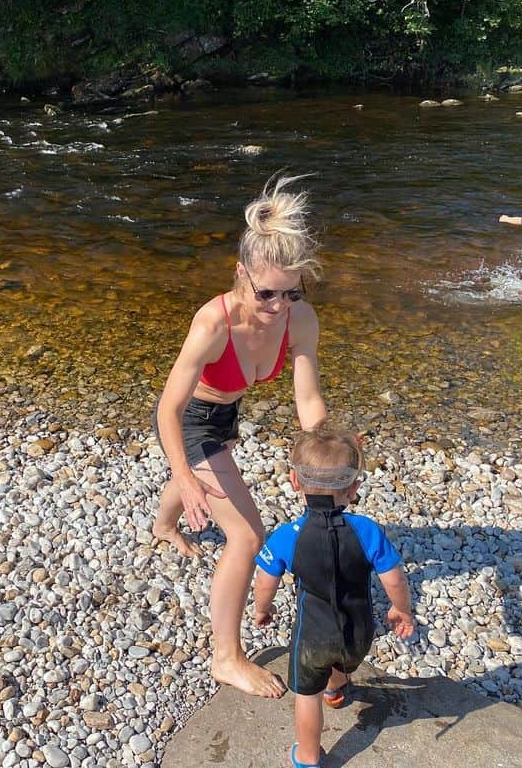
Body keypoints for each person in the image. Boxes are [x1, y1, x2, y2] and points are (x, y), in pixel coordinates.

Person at [151, 174, 327, 699]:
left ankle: (163, 527)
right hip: (191, 421)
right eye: (266, 292)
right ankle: (225, 658)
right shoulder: (213, 324)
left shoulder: (300, 319)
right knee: (247, 537)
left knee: (210, 482)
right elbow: (169, 407)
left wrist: (321, 457)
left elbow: (307, 400)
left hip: (225, 418)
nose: (277, 305)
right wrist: (183, 473)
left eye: (291, 291)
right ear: (240, 275)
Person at [252, 422, 414, 768]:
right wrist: (401, 610)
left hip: (313, 634)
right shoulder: (367, 531)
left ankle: (308, 756)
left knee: (305, 695)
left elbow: (265, 580)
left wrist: (262, 609)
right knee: (340, 661)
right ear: (354, 487)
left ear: (295, 482)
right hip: (358, 630)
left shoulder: (287, 536)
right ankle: (336, 689)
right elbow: (395, 578)